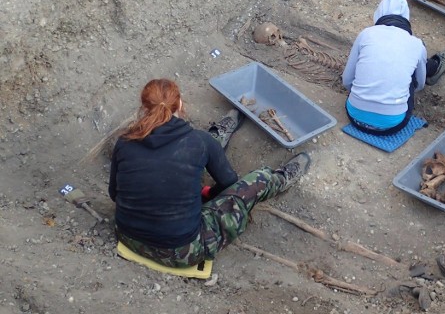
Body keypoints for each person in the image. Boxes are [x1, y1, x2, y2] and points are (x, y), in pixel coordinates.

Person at [108, 78, 311, 268]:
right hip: (181, 251)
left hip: (128, 237)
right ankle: (283, 178)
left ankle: (218, 136)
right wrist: (207, 195)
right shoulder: (198, 142)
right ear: (179, 105)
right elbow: (229, 183)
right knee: (259, 179)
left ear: (144, 108)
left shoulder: (125, 141)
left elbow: (114, 194)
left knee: (203, 146)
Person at [342, 0, 445, 135]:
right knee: (411, 70)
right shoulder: (416, 44)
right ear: (406, 18)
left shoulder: (366, 34)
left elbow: (347, 80)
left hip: (355, 117)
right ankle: (434, 67)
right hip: (393, 125)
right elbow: (419, 85)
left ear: (379, 13)